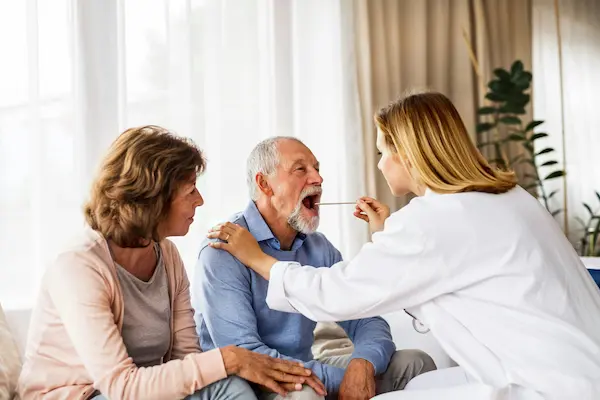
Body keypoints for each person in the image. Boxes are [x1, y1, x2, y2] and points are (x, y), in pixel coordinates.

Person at [207, 93, 600, 399]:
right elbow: (447, 270)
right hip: (579, 371)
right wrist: (388, 235)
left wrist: (259, 259)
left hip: (545, 385)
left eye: (382, 152)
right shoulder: (510, 196)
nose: (379, 164)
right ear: (263, 184)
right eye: (302, 169)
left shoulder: (431, 221)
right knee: (415, 389)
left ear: (408, 154)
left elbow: (338, 295)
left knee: (413, 377)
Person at [18, 126, 314, 400]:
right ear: (152, 199)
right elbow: (121, 387)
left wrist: (225, 367)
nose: (200, 200)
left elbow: (186, 358)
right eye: (189, 191)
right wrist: (229, 358)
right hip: (85, 394)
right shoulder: (78, 265)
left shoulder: (167, 255)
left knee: (229, 389)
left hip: (144, 390)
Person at [193, 136, 436, 400]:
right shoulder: (223, 249)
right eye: (301, 169)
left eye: (317, 169)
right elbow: (246, 354)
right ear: (265, 184)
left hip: (305, 373)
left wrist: (363, 364)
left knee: (415, 364)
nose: (318, 179)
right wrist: (345, 380)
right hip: (250, 385)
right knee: (305, 395)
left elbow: (367, 316)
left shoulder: (319, 247)